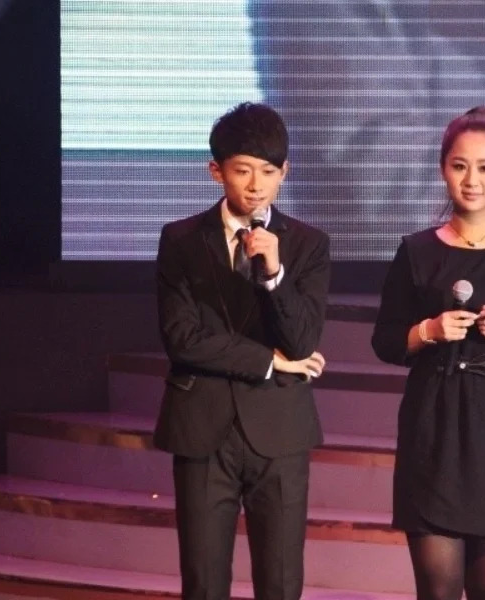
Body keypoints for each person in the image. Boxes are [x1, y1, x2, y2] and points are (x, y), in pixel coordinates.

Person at [371, 107, 485, 600]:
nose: (472, 180)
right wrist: (429, 331)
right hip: (434, 422)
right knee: (437, 589)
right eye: (459, 166)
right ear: (443, 169)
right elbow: (386, 340)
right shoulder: (416, 250)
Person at [152, 102, 330, 600]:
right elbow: (182, 338)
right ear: (217, 171)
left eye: (269, 172)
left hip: (280, 429)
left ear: (285, 172)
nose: (256, 185)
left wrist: (274, 274)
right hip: (202, 427)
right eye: (243, 170)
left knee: (281, 582)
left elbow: (302, 341)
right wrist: (269, 361)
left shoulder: (309, 245)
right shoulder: (181, 240)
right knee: (204, 581)